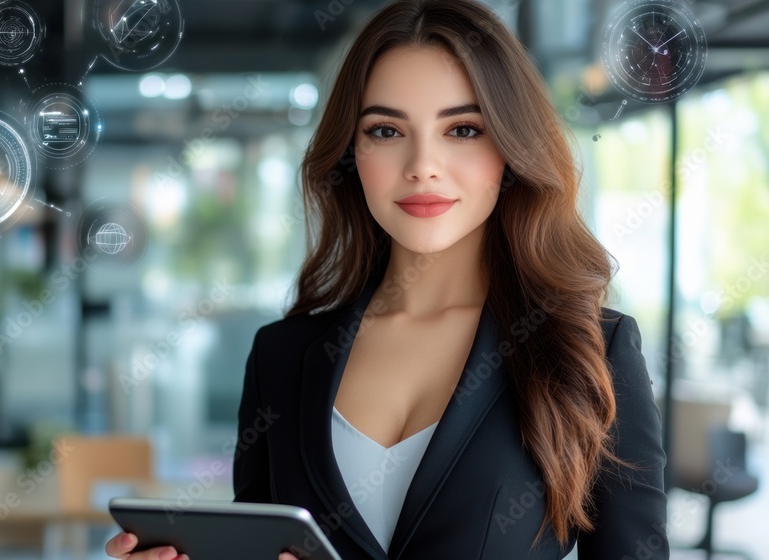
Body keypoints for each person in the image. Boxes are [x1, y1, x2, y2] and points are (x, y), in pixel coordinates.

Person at [106, 0, 668, 558]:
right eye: (386, 130)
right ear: (352, 152)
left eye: (464, 129)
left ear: (511, 149)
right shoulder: (280, 357)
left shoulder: (589, 351)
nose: (423, 164)